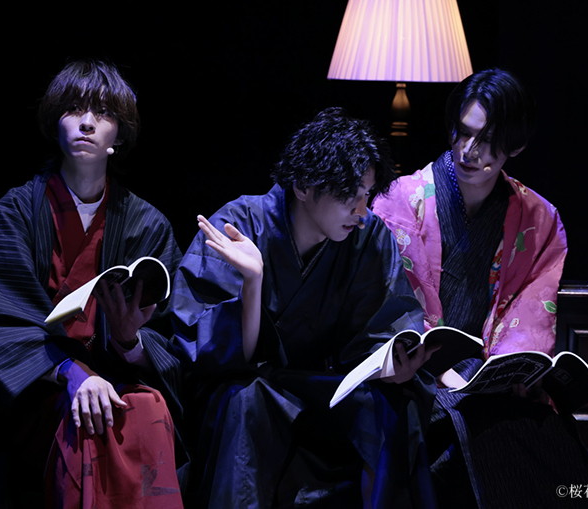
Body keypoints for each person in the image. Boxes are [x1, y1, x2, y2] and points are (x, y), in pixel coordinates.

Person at [371, 68, 588, 508]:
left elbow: (531, 310)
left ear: (516, 146)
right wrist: (440, 372)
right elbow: (390, 306)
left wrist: (511, 374)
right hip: (417, 378)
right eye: (463, 132)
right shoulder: (398, 201)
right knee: (481, 435)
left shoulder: (538, 218)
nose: (469, 150)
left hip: (486, 375)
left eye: (487, 140)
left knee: (546, 436)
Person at [169, 107, 439, 508]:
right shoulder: (240, 225)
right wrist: (253, 282)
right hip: (250, 384)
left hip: (325, 385)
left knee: (393, 406)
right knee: (245, 402)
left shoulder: (368, 237)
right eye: (349, 195)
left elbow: (383, 329)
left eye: (366, 195)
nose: (361, 211)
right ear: (302, 187)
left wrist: (396, 363)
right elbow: (218, 354)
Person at [0, 59, 186, 508]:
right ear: (55, 123)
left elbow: (174, 337)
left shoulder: (147, 224)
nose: (86, 122)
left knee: (148, 407)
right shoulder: (15, 214)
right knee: (85, 413)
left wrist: (130, 341)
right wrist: (73, 373)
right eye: (74, 109)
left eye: (102, 113)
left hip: (116, 379)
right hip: (38, 389)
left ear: (119, 134)